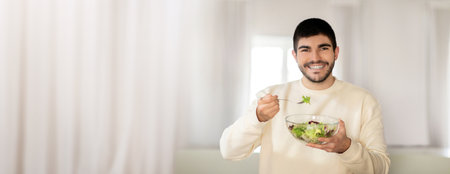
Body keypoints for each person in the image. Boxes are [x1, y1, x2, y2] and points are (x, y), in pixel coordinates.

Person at [220, 18, 390, 174]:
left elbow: (380, 169)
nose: (315, 58)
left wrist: (346, 147)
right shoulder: (269, 97)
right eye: (305, 50)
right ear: (295, 56)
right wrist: (257, 118)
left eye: (323, 48)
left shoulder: (364, 101)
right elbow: (229, 151)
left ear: (336, 52)